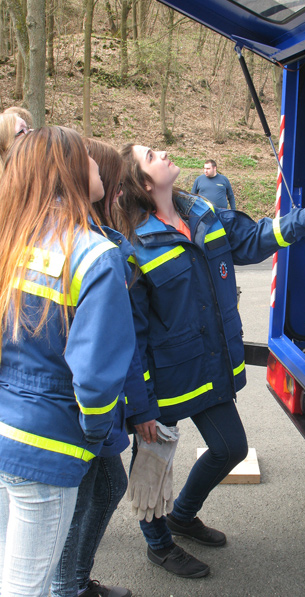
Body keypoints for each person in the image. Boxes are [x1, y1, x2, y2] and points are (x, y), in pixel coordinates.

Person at [117, 144, 305, 579]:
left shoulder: (202, 212)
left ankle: (182, 515)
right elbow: (133, 338)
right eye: (151, 155)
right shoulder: (134, 246)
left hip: (206, 368)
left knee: (230, 448)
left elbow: (255, 239)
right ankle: (159, 545)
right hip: (164, 379)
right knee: (152, 466)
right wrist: (141, 407)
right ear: (144, 183)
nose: (163, 152)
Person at [0, 127, 137, 597]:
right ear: (72, 171)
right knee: (28, 586)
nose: (100, 165)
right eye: (91, 159)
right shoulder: (95, 255)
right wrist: (95, 434)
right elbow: (96, 380)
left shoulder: (10, 238)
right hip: (48, 444)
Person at [50, 137, 159, 597]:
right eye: (102, 174)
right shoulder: (97, 252)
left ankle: (74, 581)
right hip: (81, 413)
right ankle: (67, 585)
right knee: (89, 494)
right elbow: (110, 349)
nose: (114, 190)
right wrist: (103, 423)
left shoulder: (104, 241)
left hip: (90, 409)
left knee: (108, 484)